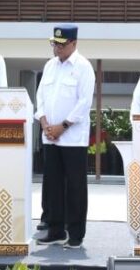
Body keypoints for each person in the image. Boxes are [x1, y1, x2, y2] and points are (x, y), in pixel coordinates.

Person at [34, 25, 95, 249]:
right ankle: (56, 230)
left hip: (72, 138)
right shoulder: (49, 66)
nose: (57, 48)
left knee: (76, 187)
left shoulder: (83, 67)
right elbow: (40, 96)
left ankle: (76, 233)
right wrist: (43, 122)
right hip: (49, 135)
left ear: (74, 44)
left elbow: (84, 102)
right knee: (53, 186)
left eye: (61, 44)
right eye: (54, 43)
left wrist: (64, 125)